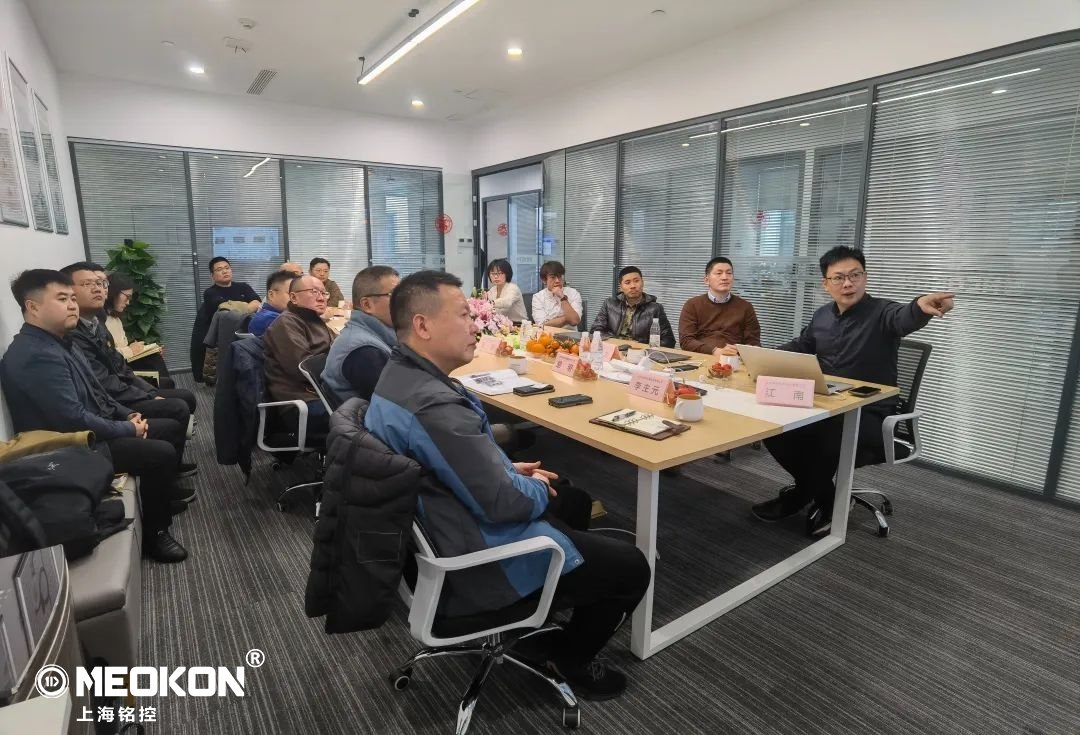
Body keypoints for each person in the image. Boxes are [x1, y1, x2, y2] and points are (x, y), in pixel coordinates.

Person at [365, 270, 651, 700]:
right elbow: (502, 504)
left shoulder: (401, 376)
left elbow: (447, 460)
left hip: (439, 527)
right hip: (472, 557)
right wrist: (525, 481)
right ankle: (568, 658)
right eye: (464, 315)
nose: (475, 325)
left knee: (572, 500)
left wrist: (504, 466)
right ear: (422, 326)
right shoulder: (431, 404)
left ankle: (546, 609)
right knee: (631, 566)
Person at [751, 246, 955, 536]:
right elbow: (801, 346)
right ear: (826, 284)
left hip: (870, 413)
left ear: (865, 278)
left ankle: (809, 497)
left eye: (854, 275)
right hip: (828, 405)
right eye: (838, 278)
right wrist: (758, 357)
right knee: (772, 426)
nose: (847, 283)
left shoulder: (883, 312)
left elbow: (905, 317)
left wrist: (920, 307)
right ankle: (826, 495)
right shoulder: (822, 316)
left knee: (822, 435)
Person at [0, 270, 189, 563]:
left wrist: (129, 415)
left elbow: (99, 393)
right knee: (160, 452)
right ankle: (156, 535)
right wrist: (127, 429)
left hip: (91, 429)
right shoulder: (35, 355)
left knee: (168, 426)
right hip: (68, 446)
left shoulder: (61, 341)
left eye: (72, 298)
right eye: (62, 299)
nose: (72, 305)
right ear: (33, 307)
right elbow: (72, 420)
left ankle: (161, 496)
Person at [61, 262, 198, 478]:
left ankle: (172, 466)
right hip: (112, 403)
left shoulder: (96, 323)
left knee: (180, 396)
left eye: (102, 283)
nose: (99, 289)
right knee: (178, 406)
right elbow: (105, 384)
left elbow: (120, 367)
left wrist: (150, 393)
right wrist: (143, 401)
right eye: (88, 284)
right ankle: (169, 470)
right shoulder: (72, 335)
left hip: (116, 398)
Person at [263, 274, 335, 427]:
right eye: (314, 292)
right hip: (302, 400)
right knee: (365, 417)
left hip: (321, 391)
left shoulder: (314, 319)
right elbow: (304, 369)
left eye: (324, 293)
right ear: (294, 298)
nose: (321, 298)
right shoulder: (287, 323)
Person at [321, 266, 400, 403]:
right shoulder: (364, 351)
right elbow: (398, 404)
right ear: (367, 304)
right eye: (394, 295)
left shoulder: (376, 334)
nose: (404, 302)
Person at [190, 257, 261, 382]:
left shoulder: (243, 287)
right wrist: (248, 307)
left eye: (227, 268)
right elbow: (224, 310)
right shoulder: (210, 292)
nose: (224, 271)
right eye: (219, 269)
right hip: (220, 336)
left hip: (243, 331)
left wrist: (236, 307)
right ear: (212, 276)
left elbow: (257, 302)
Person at [678, 257, 761, 356]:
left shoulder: (745, 307)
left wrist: (740, 351)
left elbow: (753, 342)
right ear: (706, 280)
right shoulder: (692, 305)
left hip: (733, 358)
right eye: (719, 273)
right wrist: (714, 351)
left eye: (729, 273)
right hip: (702, 358)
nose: (725, 277)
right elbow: (686, 341)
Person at [104, 271, 174, 385]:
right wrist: (130, 350)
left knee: (155, 357)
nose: (128, 302)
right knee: (161, 373)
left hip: (123, 364)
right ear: (113, 292)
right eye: (127, 297)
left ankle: (162, 390)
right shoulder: (100, 320)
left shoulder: (115, 318)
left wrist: (147, 350)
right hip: (116, 371)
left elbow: (120, 347)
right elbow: (106, 354)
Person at [590, 266, 674, 347]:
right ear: (621, 287)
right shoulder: (609, 304)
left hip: (640, 352)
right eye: (627, 282)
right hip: (614, 349)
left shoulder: (655, 309)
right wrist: (615, 343)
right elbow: (595, 331)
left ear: (642, 282)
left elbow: (668, 340)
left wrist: (643, 347)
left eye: (636, 281)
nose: (633, 286)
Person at [531, 260, 582, 328]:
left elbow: (574, 321)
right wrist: (567, 318)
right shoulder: (538, 297)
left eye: (559, 276)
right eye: (553, 277)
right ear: (544, 280)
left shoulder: (573, 293)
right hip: (547, 334)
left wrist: (562, 297)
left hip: (570, 333)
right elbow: (542, 326)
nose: (557, 281)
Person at [249, 270, 295, 337]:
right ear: (271, 295)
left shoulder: (267, 315)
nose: (295, 299)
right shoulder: (271, 319)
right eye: (290, 294)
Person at [485, 258, 527, 322]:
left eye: (499, 273)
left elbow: (507, 302)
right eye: (492, 273)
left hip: (518, 324)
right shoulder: (492, 290)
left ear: (507, 274)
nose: (495, 276)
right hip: (501, 324)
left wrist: (490, 303)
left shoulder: (513, 288)